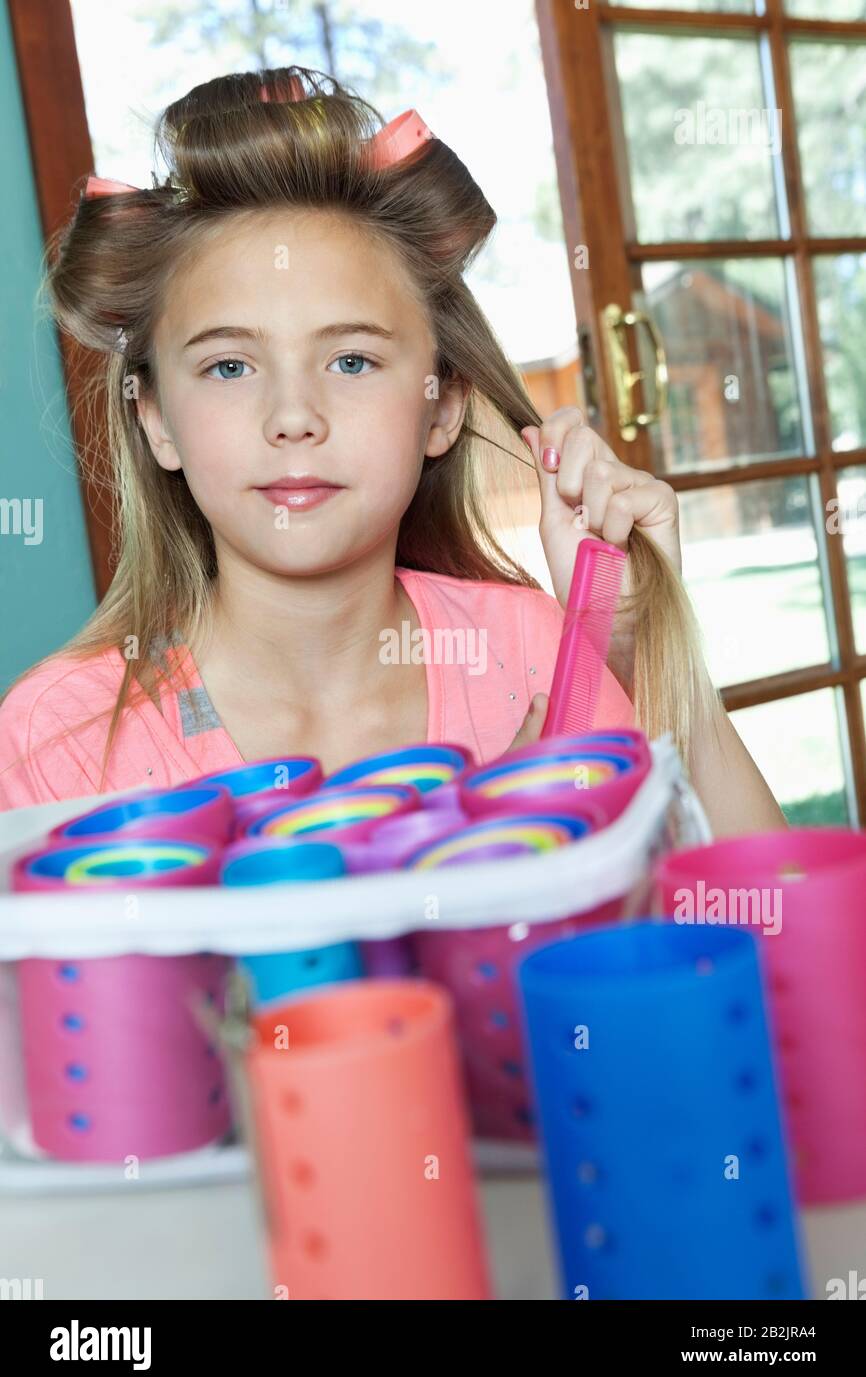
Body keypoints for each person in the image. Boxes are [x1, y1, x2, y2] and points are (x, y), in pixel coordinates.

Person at [0, 66, 786, 838]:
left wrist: (649, 655)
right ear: (157, 420)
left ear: (441, 405)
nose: (294, 417)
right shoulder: (58, 736)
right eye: (229, 366)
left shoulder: (533, 651)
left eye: (352, 361)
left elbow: (779, 933)